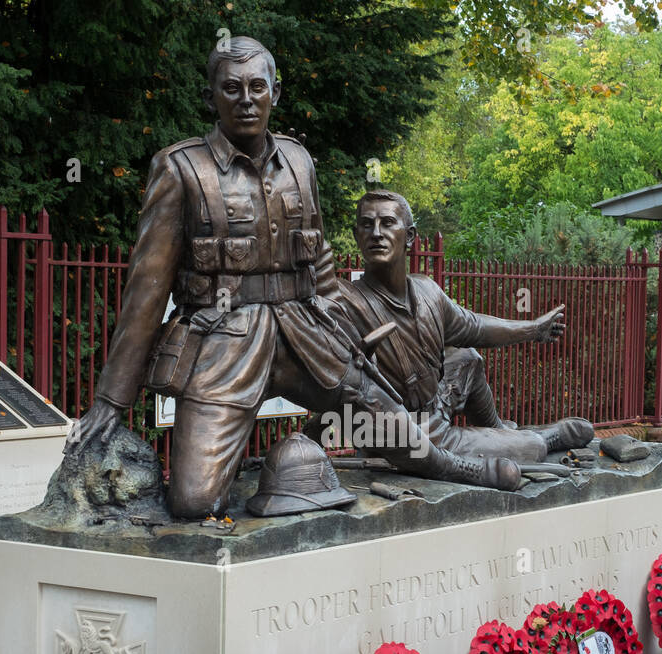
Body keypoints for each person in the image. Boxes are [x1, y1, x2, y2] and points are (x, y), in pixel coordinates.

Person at [66, 37, 522, 518]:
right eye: (232, 88)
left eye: (257, 87)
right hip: (224, 344)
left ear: (275, 94)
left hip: (304, 336)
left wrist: (341, 326)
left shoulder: (299, 161)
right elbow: (146, 292)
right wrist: (110, 401)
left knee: (391, 428)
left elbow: (318, 261)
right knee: (195, 502)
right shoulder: (180, 169)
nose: (246, 100)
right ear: (210, 98)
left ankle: (456, 467)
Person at [331, 190, 596, 461]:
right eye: (366, 224)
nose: (376, 232)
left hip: (432, 406)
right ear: (356, 236)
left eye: (387, 222)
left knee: (467, 357)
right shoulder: (342, 303)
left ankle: (497, 430)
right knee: (533, 449)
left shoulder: (426, 291)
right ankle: (536, 439)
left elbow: (475, 327)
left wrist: (534, 328)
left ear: (409, 236)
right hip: (407, 436)